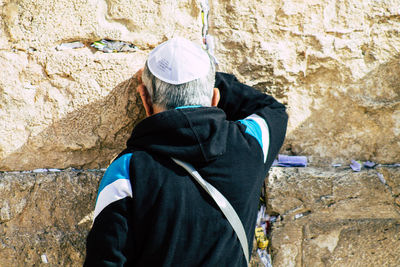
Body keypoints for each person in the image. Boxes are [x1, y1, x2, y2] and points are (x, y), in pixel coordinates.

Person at [84, 37, 288, 266]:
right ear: (215, 98)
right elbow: (272, 110)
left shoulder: (128, 170)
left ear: (145, 99)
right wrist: (204, 81)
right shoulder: (250, 146)